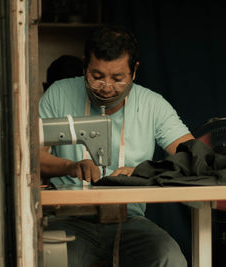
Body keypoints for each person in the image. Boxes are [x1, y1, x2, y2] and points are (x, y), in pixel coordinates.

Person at [39, 24, 194, 267]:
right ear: (84, 66)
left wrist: (144, 172)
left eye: (118, 78)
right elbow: (32, 157)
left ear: (135, 71)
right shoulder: (58, 94)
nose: (107, 87)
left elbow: (192, 156)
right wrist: (70, 167)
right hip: (68, 218)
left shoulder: (153, 105)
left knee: (170, 259)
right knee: (48, 259)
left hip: (129, 219)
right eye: (97, 76)